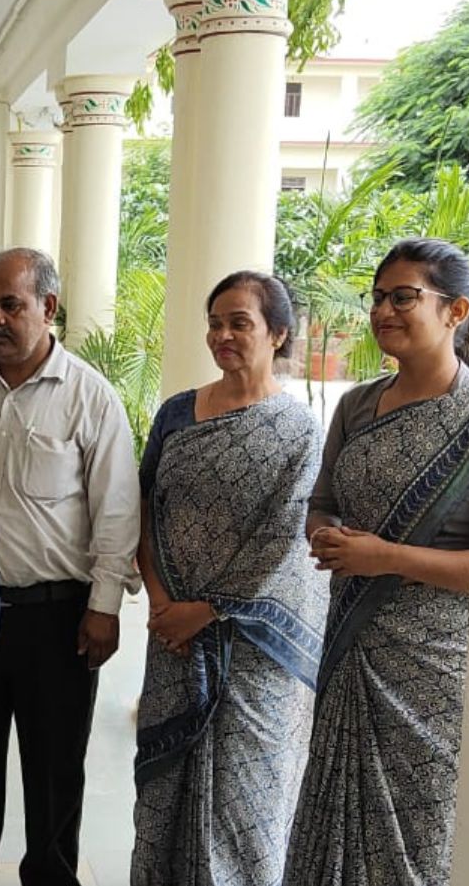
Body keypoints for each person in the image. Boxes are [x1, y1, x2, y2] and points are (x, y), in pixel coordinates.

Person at [283, 238, 469, 886]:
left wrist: (385, 557)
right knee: (334, 823)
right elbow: (321, 505)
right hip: (351, 643)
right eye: (377, 297)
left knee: (417, 841)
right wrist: (327, 536)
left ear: (456, 310)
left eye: (403, 297)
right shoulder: (357, 406)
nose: (382, 310)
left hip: (433, 663)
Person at [0, 249, 138, 886]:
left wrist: (104, 607)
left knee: (54, 774)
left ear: (48, 307)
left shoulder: (89, 397)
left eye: (11, 305)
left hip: (57, 620)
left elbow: (116, 509)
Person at [129, 272, 326, 886]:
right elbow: (144, 508)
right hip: (172, 638)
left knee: (245, 806)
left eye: (240, 323)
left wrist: (205, 610)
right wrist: (163, 603)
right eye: (215, 323)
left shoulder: (298, 431)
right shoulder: (176, 413)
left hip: (252, 652)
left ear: (278, 334)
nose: (222, 335)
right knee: (164, 795)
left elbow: (284, 541)